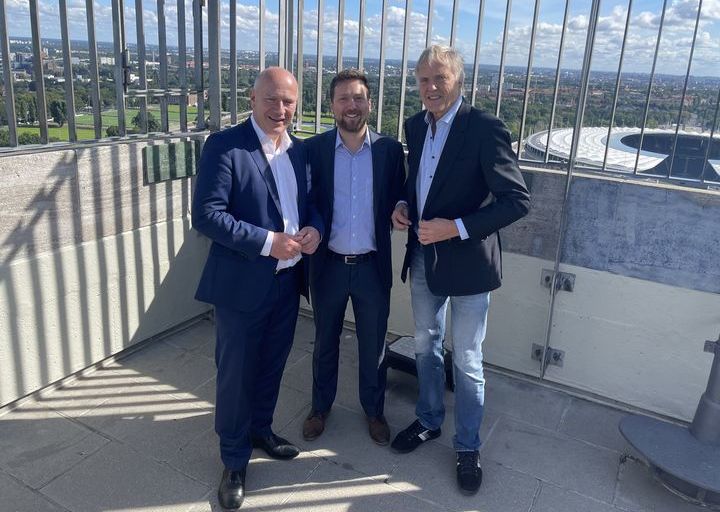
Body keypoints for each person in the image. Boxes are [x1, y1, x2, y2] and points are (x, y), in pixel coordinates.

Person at [390, 45, 530, 495]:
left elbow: (516, 201)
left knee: (468, 360)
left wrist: (456, 228)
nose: (430, 88)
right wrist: (402, 205)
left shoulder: (484, 129)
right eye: (423, 80)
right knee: (426, 346)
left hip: (469, 265)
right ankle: (429, 420)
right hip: (424, 259)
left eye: (439, 79)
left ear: (458, 81)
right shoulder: (416, 125)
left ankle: (467, 445)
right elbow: (419, 183)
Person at [192, 67, 323, 511]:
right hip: (242, 287)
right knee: (235, 375)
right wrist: (269, 243)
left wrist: (314, 232)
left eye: (288, 101)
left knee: (271, 365)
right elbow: (207, 215)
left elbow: (313, 206)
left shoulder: (299, 152)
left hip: (288, 285)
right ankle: (233, 460)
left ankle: (261, 431)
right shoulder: (226, 147)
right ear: (252, 98)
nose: (280, 109)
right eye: (271, 99)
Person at [301, 69, 406, 446]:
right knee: (324, 341)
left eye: (359, 97)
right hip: (327, 265)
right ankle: (319, 407)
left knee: (373, 344)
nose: (352, 105)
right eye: (344, 98)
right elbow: (306, 202)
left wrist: (402, 205)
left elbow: (401, 192)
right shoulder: (312, 150)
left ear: (370, 104)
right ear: (331, 105)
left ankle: (374, 411)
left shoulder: (389, 151)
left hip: (371, 268)